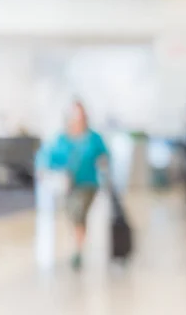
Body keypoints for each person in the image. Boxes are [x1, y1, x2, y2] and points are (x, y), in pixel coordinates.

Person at [36, 101, 109, 270]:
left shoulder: (94, 138)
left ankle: (78, 250)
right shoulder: (62, 138)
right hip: (67, 186)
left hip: (88, 185)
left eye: (81, 114)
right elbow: (47, 155)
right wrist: (43, 169)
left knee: (78, 213)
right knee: (73, 216)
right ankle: (78, 244)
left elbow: (105, 157)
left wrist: (105, 169)